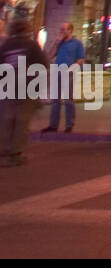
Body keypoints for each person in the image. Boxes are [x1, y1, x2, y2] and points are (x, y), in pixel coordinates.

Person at [1, 19, 49, 166]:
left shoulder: (6, 46)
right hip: (27, 89)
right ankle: (15, 154)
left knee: (6, 120)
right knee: (21, 122)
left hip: (7, 88)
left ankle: (4, 149)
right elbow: (43, 65)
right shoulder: (32, 46)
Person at [43, 22, 85, 133]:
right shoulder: (59, 43)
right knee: (55, 99)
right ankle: (53, 125)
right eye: (61, 29)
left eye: (64, 29)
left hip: (69, 72)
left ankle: (69, 125)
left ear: (70, 30)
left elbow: (81, 59)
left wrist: (72, 68)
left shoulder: (77, 43)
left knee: (68, 100)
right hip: (57, 71)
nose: (61, 32)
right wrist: (56, 42)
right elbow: (50, 55)